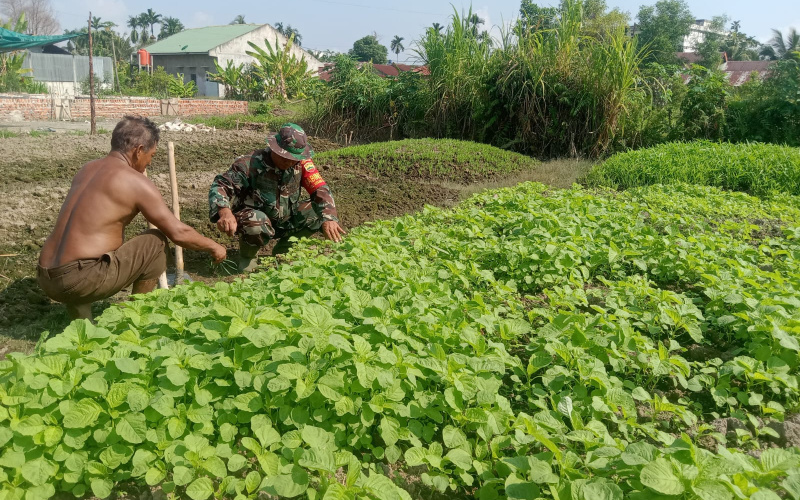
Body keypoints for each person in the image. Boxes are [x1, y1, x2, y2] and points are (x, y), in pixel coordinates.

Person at [38, 115, 227, 320]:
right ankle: (135, 316)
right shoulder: (135, 182)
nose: (150, 162)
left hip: (47, 276)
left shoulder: (86, 169)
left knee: (90, 249)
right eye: (152, 155)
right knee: (155, 242)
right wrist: (214, 246)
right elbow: (178, 232)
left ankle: (82, 320)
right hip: (78, 279)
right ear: (138, 151)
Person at [209, 123, 346, 272]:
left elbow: (320, 189)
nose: (289, 161)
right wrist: (224, 211)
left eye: (294, 158)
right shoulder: (250, 162)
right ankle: (248, 257)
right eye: (285, 156)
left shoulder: (301, 164)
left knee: (320, 212)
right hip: (255, 222)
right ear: (274, 148)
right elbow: (220, 185)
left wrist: (329, 218)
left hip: (286, 219)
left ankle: (285, 250)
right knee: (256, 221)